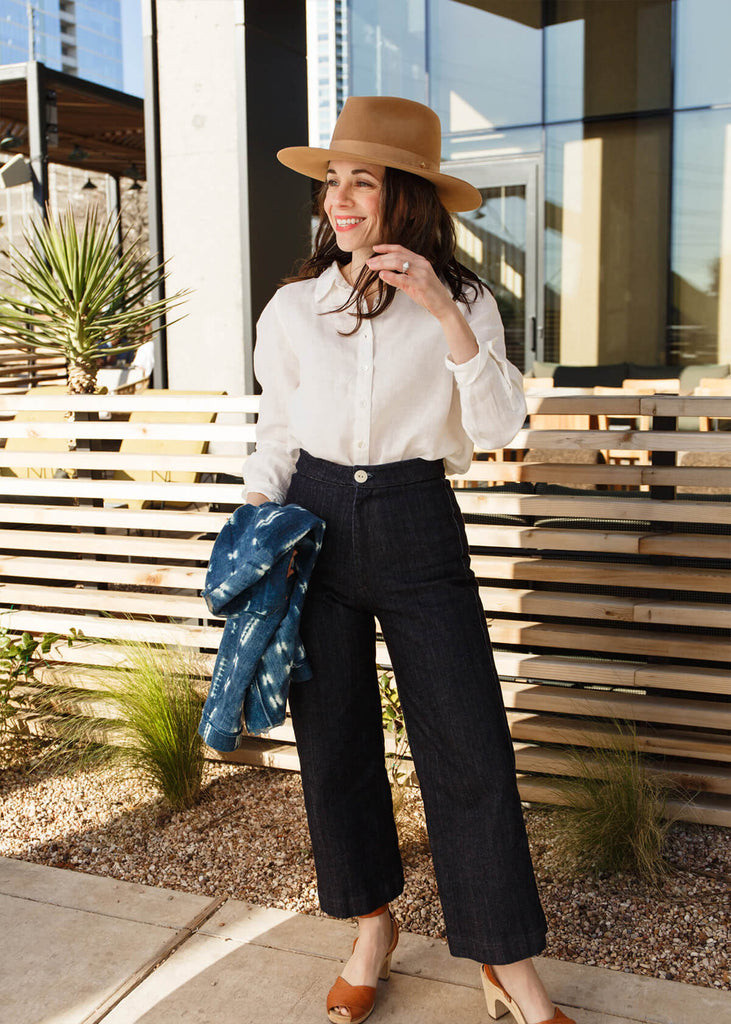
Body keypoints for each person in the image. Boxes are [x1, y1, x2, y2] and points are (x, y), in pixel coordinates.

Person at [244, 96, 575, 1024]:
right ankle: (371, 928)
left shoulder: (465, 302)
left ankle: (506, 963)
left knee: (468, 747)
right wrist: (254, 526)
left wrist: (435, 303)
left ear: (410, 197)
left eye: (363, 181)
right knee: (334, 740)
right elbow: (276, 427)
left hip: (415, 517)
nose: (339, 201)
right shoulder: (293, 305)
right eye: (331, 183)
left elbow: (500, 424)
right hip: (309, 519)